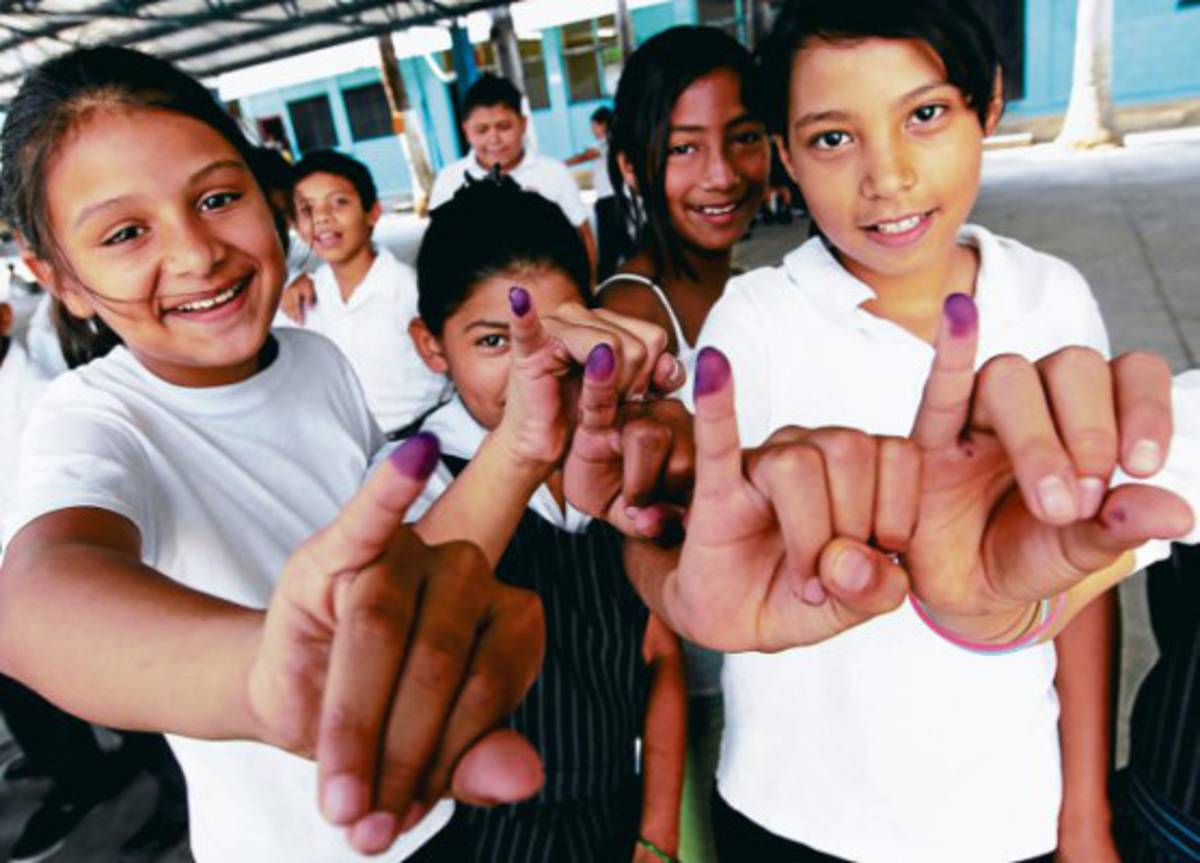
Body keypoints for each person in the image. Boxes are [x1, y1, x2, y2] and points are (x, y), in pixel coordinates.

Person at [0, 45, 556, 862]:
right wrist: (268, 677)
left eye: (218, 197)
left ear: (267, 199)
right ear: (61, 279)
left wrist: (523, 443)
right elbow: (40, 595)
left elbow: (398, 559)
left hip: (431, 809)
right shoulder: (97, 418)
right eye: (124, 233)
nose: (196, 253)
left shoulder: (317, 359)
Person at [678, 2, 1198, 859]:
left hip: (1001, 809)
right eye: (833, 139)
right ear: (785, 158)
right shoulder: (755, 322)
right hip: (789, 806)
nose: (888, 177)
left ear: (986, 106)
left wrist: (1082, 812)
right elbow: (707, 542)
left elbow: (1080, 572)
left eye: (924, 115)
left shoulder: (1051, 297)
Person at [403, 178, 687, 862]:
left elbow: (661, 656)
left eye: (554, 333)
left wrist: (657, 832)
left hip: (617, 815)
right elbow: (401, 618)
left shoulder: (620, 454)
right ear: (431, 345)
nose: (533, 369)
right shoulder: (415, 480)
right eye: (496, 340)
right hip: (480, 836)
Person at [597, 26, 770, 859]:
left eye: (743, 137)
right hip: (694, 694)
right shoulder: (634, 322)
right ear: (632, 166)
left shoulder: (746, 294)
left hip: (765, 666)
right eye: (685, 148)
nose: (722, 174)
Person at [276, 149, 446, 434]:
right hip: (352, 448)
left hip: (425, 437)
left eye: (338, 203)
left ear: (372, 212)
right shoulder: (302, 299)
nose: (322, 218)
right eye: (307, 209)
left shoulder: (410, 291)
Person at [428, 73, 598, 281]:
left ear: (523, 124)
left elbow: (583, 236)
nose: (494, 139)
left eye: (504, 126)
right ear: (466, 131)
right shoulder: (449, 181)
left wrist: (588, 292)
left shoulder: (553, 174)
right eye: (481, 130)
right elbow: (437, 250)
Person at [566, 106, 626, 279]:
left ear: (604, 125)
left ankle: (604, 283)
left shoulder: (606, 142)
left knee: (608, 249)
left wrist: (560, 165)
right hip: (614, 199)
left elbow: (585, 156)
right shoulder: (612, 142)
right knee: (622, 244)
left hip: (609, 201)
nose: (592, 130)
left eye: (594, 126)